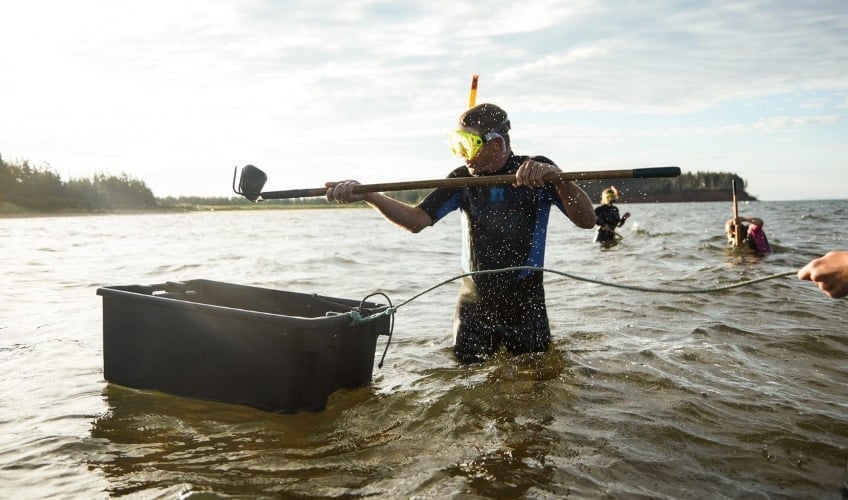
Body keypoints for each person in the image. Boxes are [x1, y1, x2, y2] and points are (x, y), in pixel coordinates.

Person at [325, 103, 595, 363]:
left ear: (497, 143)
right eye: (456, 144)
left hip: (526, 306)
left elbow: (587, 221)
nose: (461, 154)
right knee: (467, 389)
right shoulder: (461, 179)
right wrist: (369, 195)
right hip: (473, 307)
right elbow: (416, 220)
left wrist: (559, 179)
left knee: (535, 388)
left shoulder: (539, 172)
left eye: (467, 144)